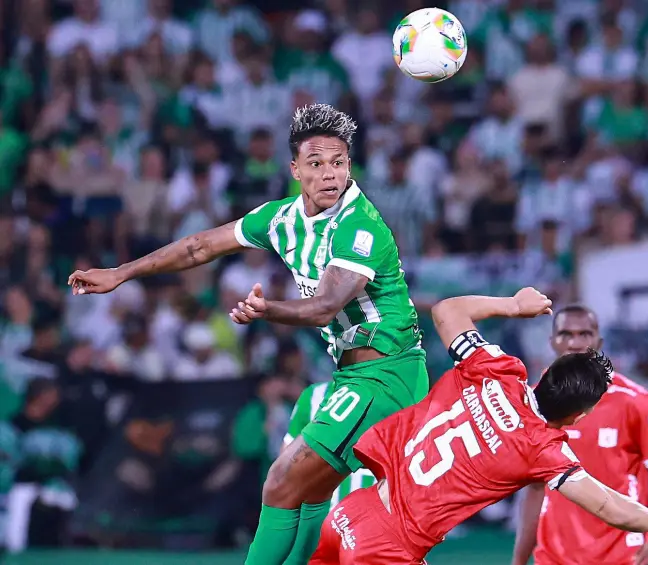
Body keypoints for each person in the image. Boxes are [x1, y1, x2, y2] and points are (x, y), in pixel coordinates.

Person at [67, 103, 430, 565]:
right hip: (355, 377)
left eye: (338, 163)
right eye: (316, 164)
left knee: (281, 482)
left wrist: (266, 310)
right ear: (295, 169)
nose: (329, 174)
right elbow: (199, 246)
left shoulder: (360, 227)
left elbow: (324, 308)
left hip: (389, 377)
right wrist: (121, 272)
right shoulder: (280, 219)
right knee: (310, 491)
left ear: (350, 167)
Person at [309, 288, 648, 565]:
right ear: (581, 415)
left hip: (351, 511)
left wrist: (512, 305)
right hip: (387, 548)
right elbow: (607, 504)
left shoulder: (496, 371)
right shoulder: (542, 449)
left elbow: (446, 311)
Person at [512, 305, 648, 565]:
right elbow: (537, 489)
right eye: (565, 334)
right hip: (553, 557)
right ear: (552, 341)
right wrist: (518, 560)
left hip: (623, 556)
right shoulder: (536, 401)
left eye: (585, 333)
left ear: (599, 341)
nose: (575, 342)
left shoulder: (633, 401)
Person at [283, 382, 376, 509]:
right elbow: (288, 466)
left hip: (376, 516)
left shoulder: (404, 395)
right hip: (325, 513)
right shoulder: (314, 395)